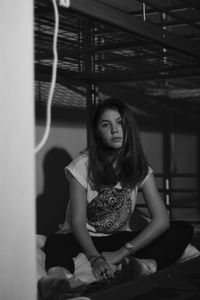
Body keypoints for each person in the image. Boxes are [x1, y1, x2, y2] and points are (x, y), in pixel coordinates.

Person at [43, 98, 193, 285]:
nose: (115, 130)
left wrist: (122, 252)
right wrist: (96, 260)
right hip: (83, 238)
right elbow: (77, 222)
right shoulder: (81, 165)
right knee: (54, 242)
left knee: (182, 229)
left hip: (116, 240)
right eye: (106, 125)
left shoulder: (140, 167)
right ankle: (61, 280)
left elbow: (161, 219)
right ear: (98, 132)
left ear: (128, 127)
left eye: (120, 123)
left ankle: (143, 266)